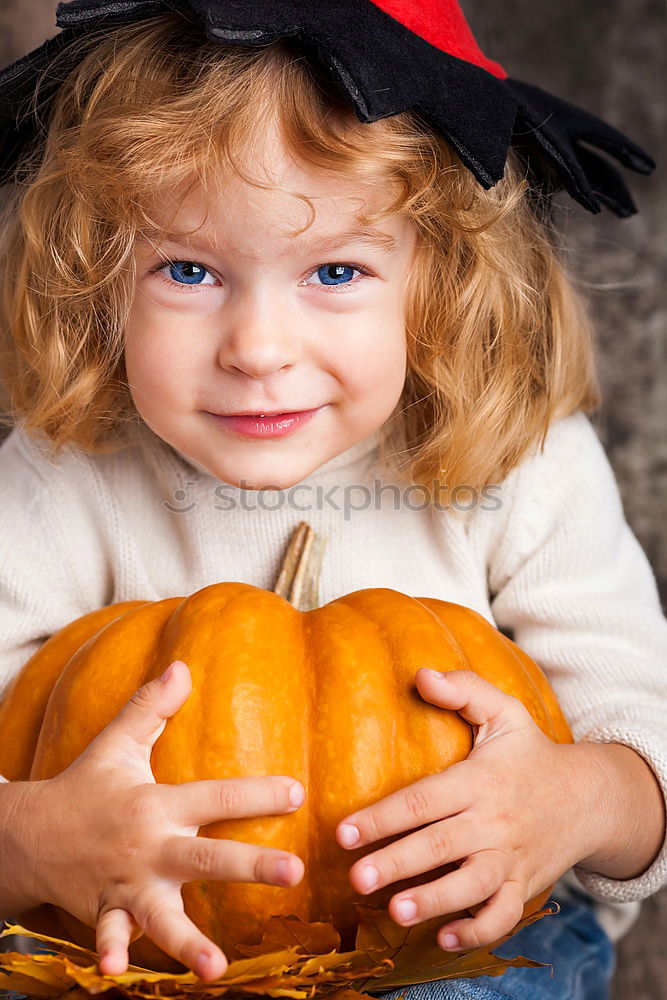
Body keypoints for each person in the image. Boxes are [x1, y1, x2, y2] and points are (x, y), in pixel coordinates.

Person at [0, 2, 665, 998]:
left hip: (436, 953)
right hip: (133, 951)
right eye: (188, 269)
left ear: (438, 277)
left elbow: (645, 729)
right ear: (98, 275)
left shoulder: (518, 466)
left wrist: (572, 802)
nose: (258, 348)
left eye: (336, 270)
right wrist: (34, 839)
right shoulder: (63, 473)